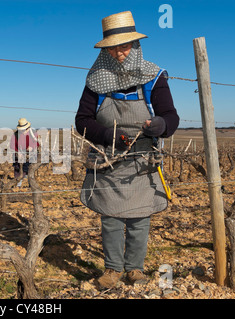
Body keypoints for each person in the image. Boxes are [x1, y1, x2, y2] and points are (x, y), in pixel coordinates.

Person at [75, 11, 179, 289]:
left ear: (135, 45)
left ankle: (134, 268)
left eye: (124, 46)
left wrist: (160, 125)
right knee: (109, 217)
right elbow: (82, 122)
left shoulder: (153, 77)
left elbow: (171, 116)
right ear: (105, 49)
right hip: (108, 158)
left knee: (139, 217)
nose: (119, 53)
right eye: (113, 47)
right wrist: (109, 135)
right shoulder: (96, 81)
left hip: (142, 159)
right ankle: (112, 269)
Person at [9, 118, 39, 187]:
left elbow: (37, 142)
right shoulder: (15, 135)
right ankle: (18, 186)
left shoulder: (33, 133)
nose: (23, 130)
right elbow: (12, 145)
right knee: (18, 171)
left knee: (31, 171)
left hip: (31, 156)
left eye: (24, 129)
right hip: (19, 156)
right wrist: (17, 152)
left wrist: (32, 147)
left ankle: (31, 186)